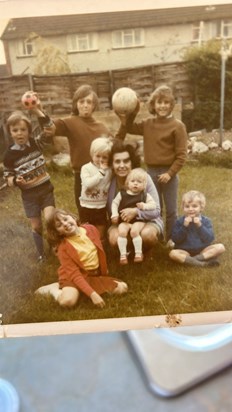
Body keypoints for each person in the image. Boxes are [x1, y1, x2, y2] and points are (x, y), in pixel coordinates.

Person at [116, 85, 188, 245]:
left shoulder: (178, 126)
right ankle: (156, 236)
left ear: (171, 105)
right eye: (159, 102)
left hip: (169, 174)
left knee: (171, 210)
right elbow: (129, 128)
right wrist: (132, 112)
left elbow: (182, 155)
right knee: (153, 207)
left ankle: (171, 239)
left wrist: (170, 173)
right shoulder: (148, 124)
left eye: (166, 102)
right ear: (153, 105)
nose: (162, 106)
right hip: (150, 173)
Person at [33, 84, 113, 213]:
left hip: (103, 175)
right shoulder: (70, 122)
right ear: (76, 104)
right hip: (82, 177)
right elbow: (49, 127)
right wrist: (38, 110)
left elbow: (114, 149)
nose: (85, 105)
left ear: (94, 106)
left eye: (89, 102)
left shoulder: (102, 127)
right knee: (85, 213)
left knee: (104, 213)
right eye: (82, 101)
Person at [35, 209, 128, 308]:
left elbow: (99, 252)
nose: (65, 224)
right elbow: (75, 275)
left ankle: (81, 289)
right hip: (72, 276)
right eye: (59, 225)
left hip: (90, 275)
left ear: (73, 218)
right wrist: (93, 294)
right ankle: (54, 289)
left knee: (122, 288)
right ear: (58, 232)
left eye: (65, 219)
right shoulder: (63, 248)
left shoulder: (91, 229)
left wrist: (103, 272)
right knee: (68, 302)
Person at [3, 110, 55, 262]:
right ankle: (41, 254)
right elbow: (8, 177)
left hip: (45, 190)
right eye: (15, 130)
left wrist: (38, 111)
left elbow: (48, 130)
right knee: (37, 226)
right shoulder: (9, 156)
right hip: (29, 196)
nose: (19, 133)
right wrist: (15, 181)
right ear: (10, 132)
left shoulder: (36, 143)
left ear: (29, 131)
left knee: (50, 218)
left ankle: (54, 245)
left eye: (23, 130)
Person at [107, 140, 163, 258]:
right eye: (117, 161)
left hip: (147, 221)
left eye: (126, 161)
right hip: (121, 223)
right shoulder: (109, 181)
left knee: (147, 235)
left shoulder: (144, 178)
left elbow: (157, 210)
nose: (122, 165)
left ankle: (146, 250)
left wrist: (136, 212)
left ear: (132, 162)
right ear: (112, 164)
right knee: (113, 239)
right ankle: (129, 250)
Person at [111, 167, 157, 264]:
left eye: (139, 182)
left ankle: (138, 253)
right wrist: (114, 214)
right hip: (124, 220)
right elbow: (114, 203)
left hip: (138, 221)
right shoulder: (122, 194)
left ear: (144, 185)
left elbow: (154, 205)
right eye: (133, 181)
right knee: (122, 231)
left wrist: (144, 206)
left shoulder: (144, 195)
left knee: (134, 231)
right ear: (127, 183)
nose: (135, 183)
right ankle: (123, 254)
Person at [169, 190, 225, 266]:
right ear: (183, 207)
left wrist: (200, 226)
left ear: (201, 207)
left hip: (202, 250)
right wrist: (184, 226)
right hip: (185, 251)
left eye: (194, 206)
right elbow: (176, 239)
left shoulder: (206, 221)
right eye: (187, 206)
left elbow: (209, 238)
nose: (190, 209)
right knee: (173, 253)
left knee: (220, 247)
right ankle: (203, 264)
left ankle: (193, 260)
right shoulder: (179, 222)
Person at [79, 136, 113, 240]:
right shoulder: (86, 168)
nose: (101, 160)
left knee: (100, 231)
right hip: (86, 206)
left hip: (101, 206)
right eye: (98, 156)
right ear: (92, 154)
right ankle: (87, 250)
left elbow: (108, 184)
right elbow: (88, 183)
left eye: (104, 157)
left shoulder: (109, 170)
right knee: (86, 232)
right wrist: (101, 173)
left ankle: (100, 249)